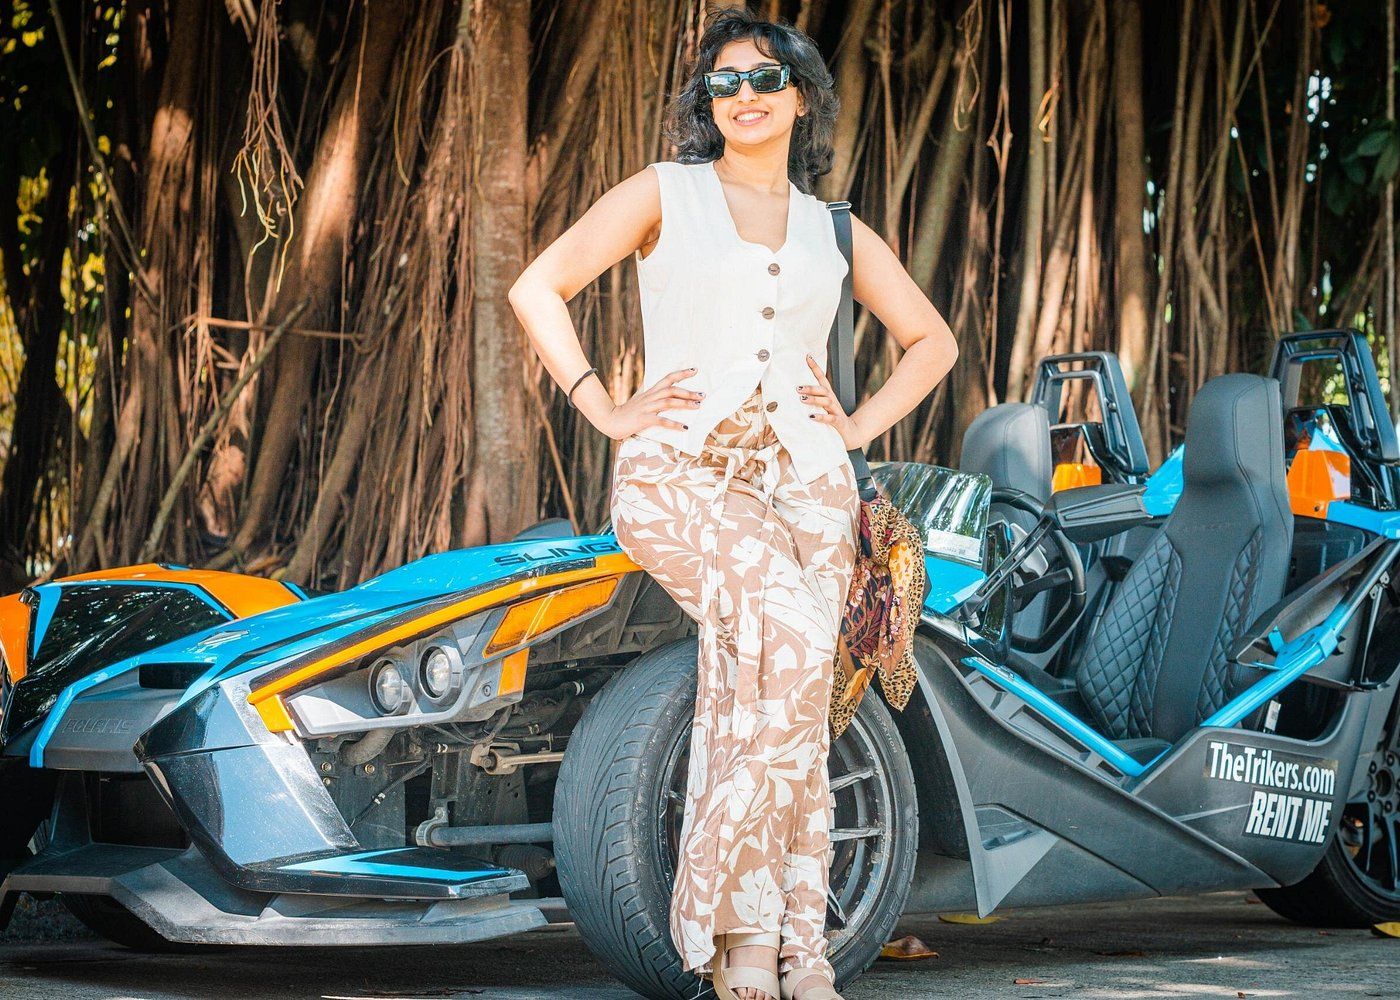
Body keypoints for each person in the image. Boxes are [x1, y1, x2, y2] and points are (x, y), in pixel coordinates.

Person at [509, 9, 956, 999]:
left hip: (805, 487)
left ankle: (786, 950)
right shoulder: (663, 195)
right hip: (682, 480)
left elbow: (933, 341)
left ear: (801, 97)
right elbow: (539, 287)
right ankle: (712, 901)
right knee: (796, 654)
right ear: (706, 105)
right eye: (722, 84)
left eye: (763, 80)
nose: (742, 97)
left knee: (772, 695)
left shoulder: (832, 227)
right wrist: (605, 405)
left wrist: (853, 424)